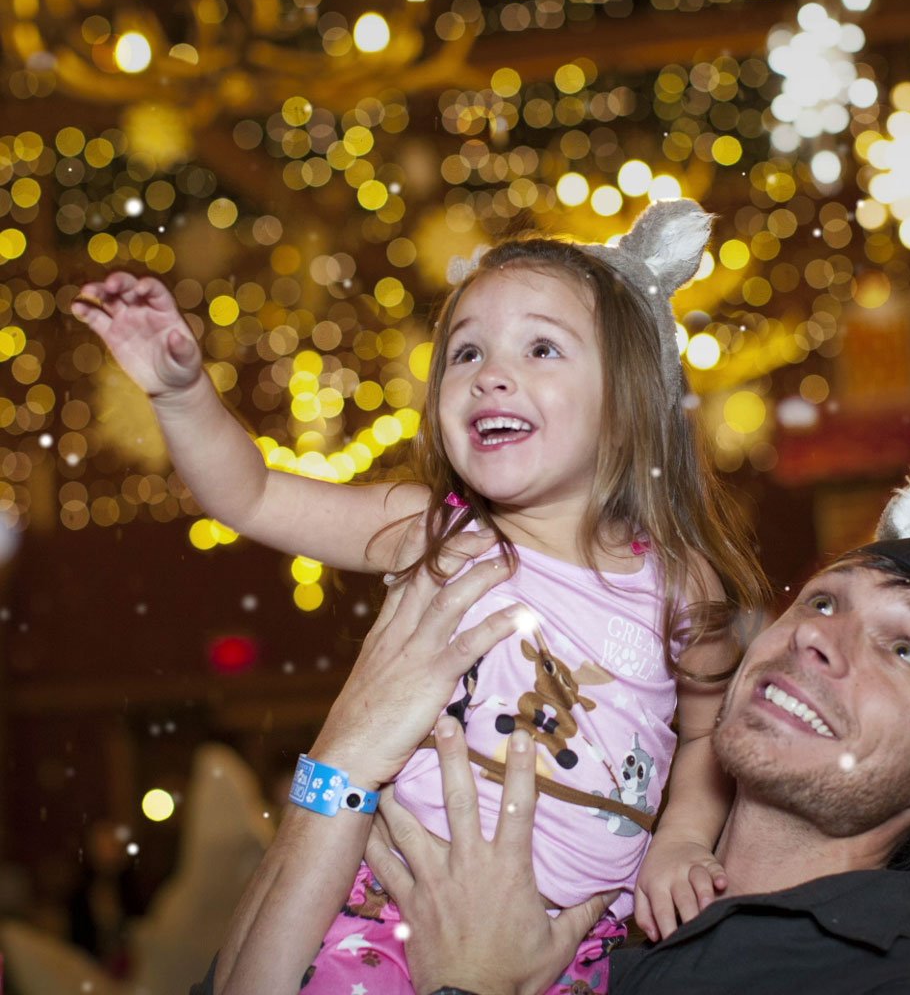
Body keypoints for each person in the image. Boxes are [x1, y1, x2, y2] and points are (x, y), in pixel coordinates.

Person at [74, 199, 768, 994]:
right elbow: (254, 496)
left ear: (628, 401)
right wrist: (182, 395)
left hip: (582, 946)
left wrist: (682, 840)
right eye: (466, 353)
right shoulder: (430, 532)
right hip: (386, 916)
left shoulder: (677, 581)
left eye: (543, 347)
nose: (491, 374)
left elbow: (709, 732)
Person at [357, 471, 910, 994]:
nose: (816, 637)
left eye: (901, 651)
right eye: (824, 601)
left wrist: (468, 985)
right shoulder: (594, 868)